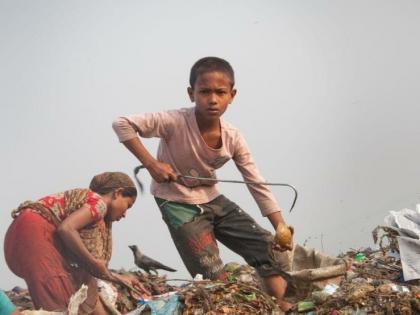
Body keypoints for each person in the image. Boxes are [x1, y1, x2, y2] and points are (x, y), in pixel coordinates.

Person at [112, 57, 294, 311]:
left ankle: (283, 306)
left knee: (265, 246)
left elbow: (255, 182)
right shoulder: (174, 121)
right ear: (191, 93)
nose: (213, 99)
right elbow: (122, 124)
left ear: (232, 95)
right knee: (210, 273)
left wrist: (280, 227)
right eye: (204, 92)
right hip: (177, 202)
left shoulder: (233, 137)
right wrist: (152, 164)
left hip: (211, 198)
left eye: (220, 93)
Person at [4, 172, 149, 314]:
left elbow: (86, 269)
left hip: (19, 237)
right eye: (128, 205)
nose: (125, 214)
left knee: (69, 292)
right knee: (60, 304)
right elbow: (66, 229)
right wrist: (92, 261)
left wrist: (118, 278)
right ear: (118, 193)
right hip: (35, 235)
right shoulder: (99, 204)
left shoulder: (85, 209)